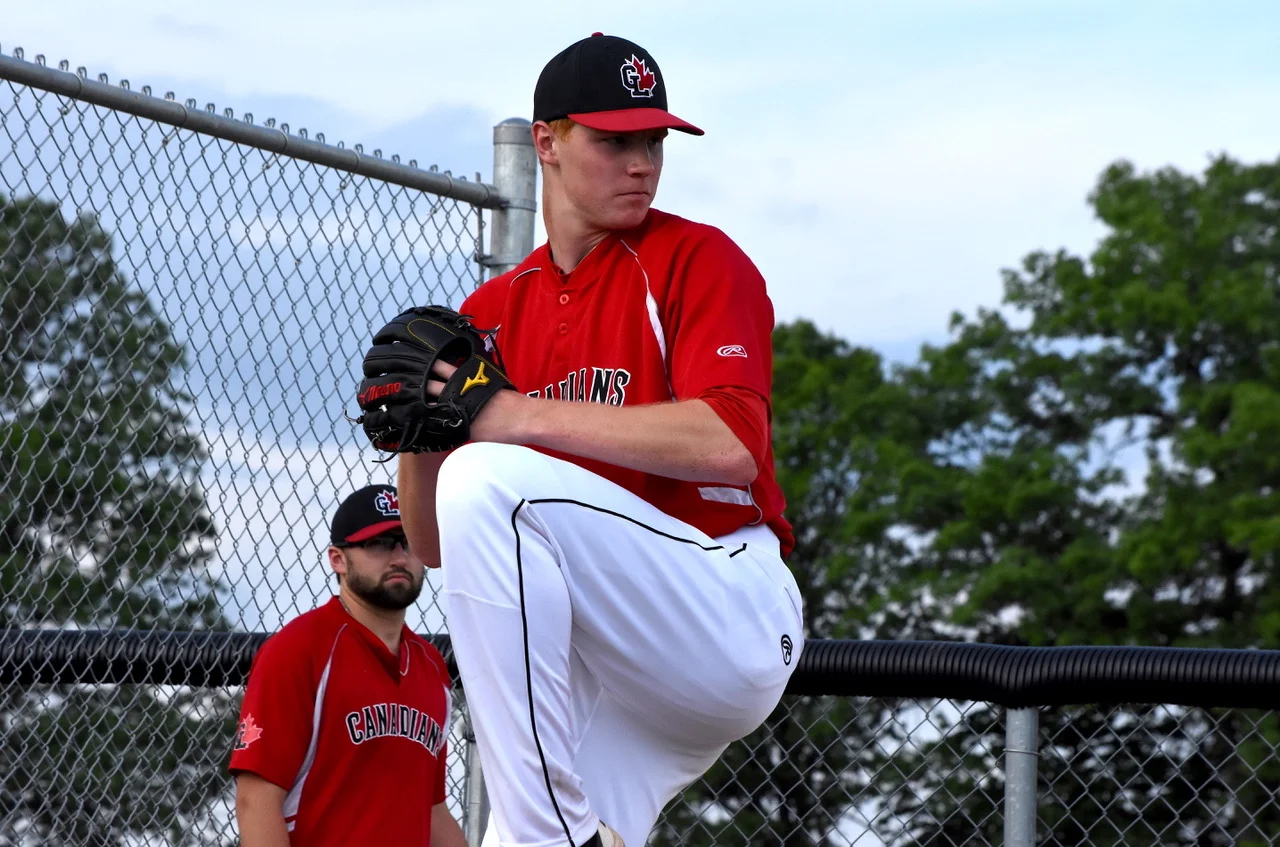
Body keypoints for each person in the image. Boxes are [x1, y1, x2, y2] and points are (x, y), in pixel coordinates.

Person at [395, 32, 806, 847]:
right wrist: (417, 435)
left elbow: (732, 443)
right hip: (603, 673)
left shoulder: (697, 259)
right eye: (615, 138)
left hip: (720, 606)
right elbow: (433, 543)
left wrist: (504, 416)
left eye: (652, 139)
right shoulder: (489, 311)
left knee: (489, 479)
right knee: (513, 836)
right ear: (547, 142)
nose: (642, 161)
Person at [228, 484, 468, 847]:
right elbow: (256, 800)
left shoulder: (431, 666)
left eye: (408, 542)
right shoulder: (300, 649)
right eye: (378, 543)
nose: (399, 556)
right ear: (338, 559)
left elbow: (432, 809)